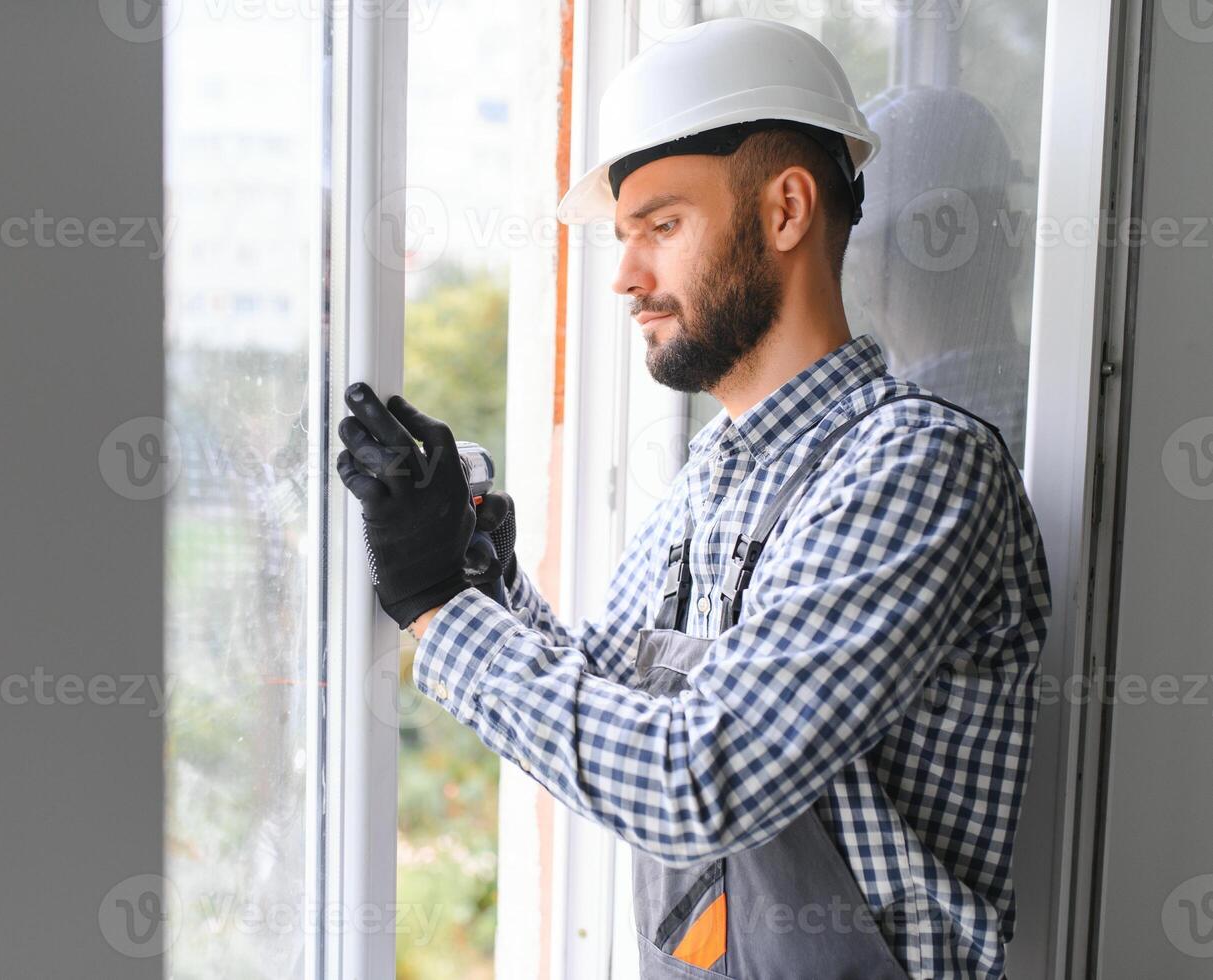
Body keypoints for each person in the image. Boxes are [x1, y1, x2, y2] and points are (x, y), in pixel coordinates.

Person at [336, 18, 1052, 980]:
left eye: (662, 227)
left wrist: (434, 606)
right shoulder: (717, 473)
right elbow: (603, 700)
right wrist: (476, 573)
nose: (628, 277)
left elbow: (694, 780)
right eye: (626, 239)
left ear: (786, 209)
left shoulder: (917, 467)